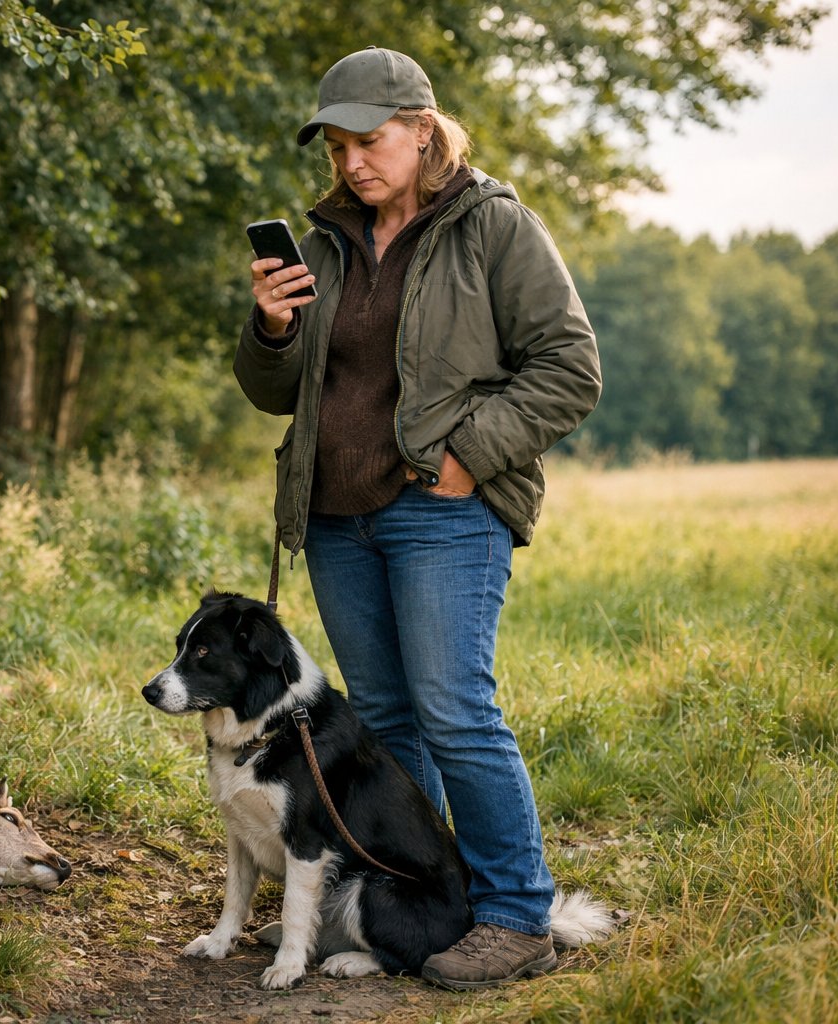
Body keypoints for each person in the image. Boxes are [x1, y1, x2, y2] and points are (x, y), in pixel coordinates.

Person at [233, 46, 602, 989]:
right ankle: (415, 897)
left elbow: (569, 366)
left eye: (370, 140)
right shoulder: (321, 242)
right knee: (388, 719)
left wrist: (472, 454)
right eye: (338, 145)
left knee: (453, 712)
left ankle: (519, 916)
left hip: (445, 511)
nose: (352, 162)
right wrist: (271, 329)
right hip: (336, 515)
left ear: (422, 130)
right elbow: (279, 392)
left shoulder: (494, 227)